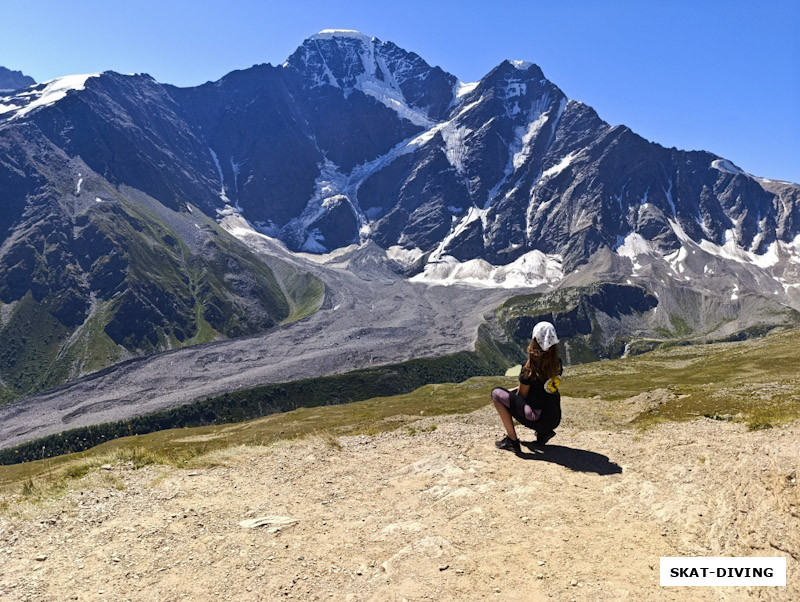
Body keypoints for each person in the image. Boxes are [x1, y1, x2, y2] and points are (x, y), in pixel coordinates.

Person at [491, 321, 563, 454]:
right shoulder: (557, 365)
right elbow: (541, 389)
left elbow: (521, 397)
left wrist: (509, 395)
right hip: (555, 418)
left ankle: (512, 441)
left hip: (538, 419)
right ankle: (544, 434)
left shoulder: (529, 370)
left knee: (496, 394)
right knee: (542, 400)